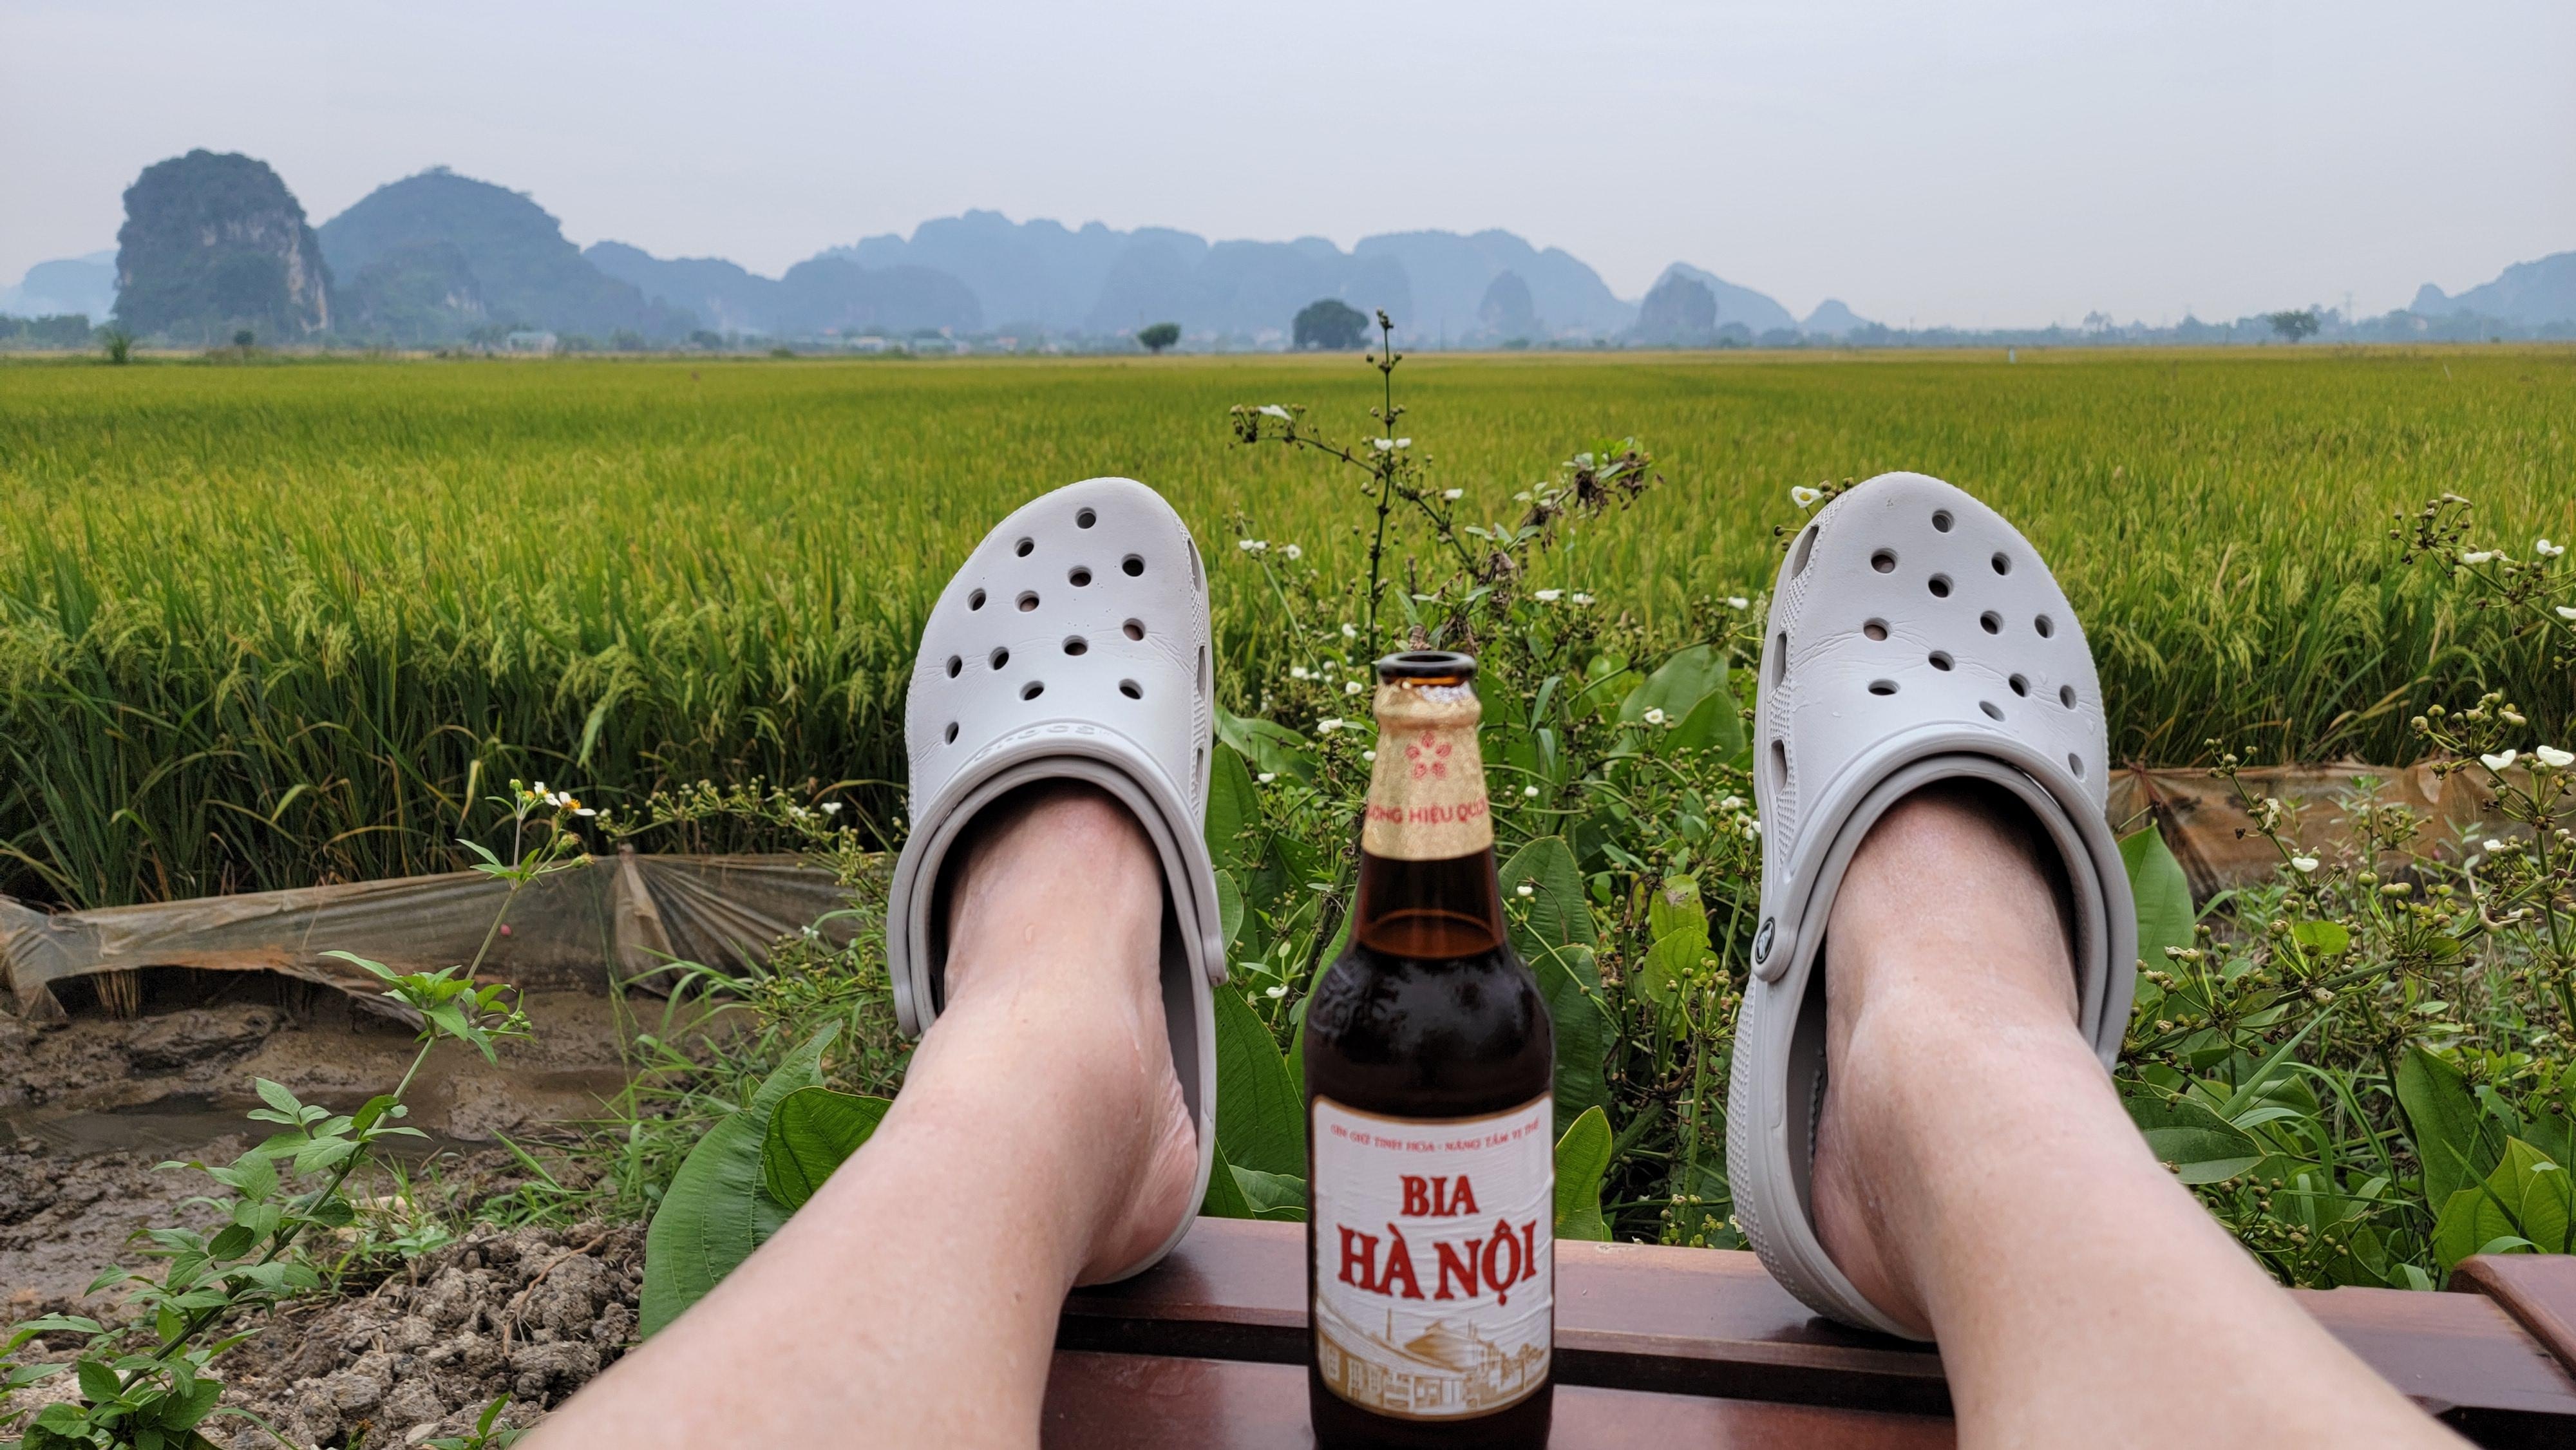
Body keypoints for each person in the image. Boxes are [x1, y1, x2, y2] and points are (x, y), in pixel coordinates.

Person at [535, 476, 2458, 1449]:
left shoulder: (1474, 999)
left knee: (982, 1098)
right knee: (2019, 1104)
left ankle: (1053, 1041)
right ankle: (1950, 1065)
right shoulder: (1391, 993)